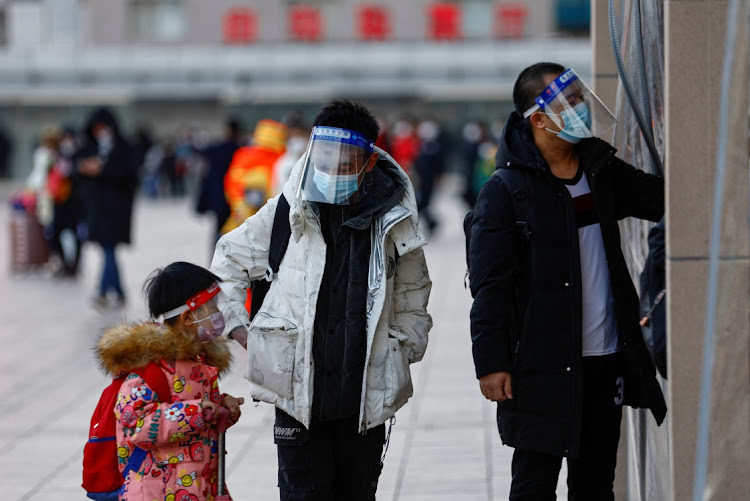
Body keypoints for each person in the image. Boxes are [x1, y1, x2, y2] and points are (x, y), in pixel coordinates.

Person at [210, 100, 433, 500]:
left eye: (345, 161)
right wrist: (241, 329)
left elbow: (413, 292)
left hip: (364, 401)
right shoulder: (286, 210)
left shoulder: (392, 218)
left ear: (367, 162)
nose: (332, 169)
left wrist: (404, 347)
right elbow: (228, 259)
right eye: (324, 157)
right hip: (298, 399)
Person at [467, 62, 667, 500]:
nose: (581, 108)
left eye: (581, 98)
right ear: (538, 118)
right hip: (540, 365)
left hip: (606, 357)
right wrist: (491, 361)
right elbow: (490, 285)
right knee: (534, 486)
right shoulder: (507, 190)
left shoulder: (600, 172)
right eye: (569, 101)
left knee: (596, 486)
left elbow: (665, 201)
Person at [94, 261, 245, 500]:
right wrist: (195, 413)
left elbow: (198, 412)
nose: (218, 313)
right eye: (212, 307)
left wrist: (221, 406)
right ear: (187, 317)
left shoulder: (198, 362)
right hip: (156, 491)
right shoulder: (149, 371)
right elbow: (137, 425)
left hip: (199, 485)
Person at [77, 107, 138, 308]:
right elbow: (78, 173)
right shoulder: (88, 148)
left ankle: (104, 292)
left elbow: (130, 175)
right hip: (97, 208)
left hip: (117, 209)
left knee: (109, 248)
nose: (100, 131)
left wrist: (102, 170)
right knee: (108, 249)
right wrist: (86, 169)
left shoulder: (124, 148)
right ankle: (117, 292)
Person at [221, 119, 287, 233]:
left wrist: (238, 203)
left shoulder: (244, 154)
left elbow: (232, 182)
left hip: (245, 216)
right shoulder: (283, 158)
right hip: (271, 215)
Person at [195, 118, 242, 243]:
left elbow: (208, 177)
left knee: (219, 232)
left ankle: (216, 259)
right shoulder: (242, 151)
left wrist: (202, 203)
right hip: (238, 200)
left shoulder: (216, 150)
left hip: (220, 199)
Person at [272, 110, 308, 196]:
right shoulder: (281, 162)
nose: (296, 136)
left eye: (299, 132)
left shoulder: (314, 160)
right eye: (291, 132)